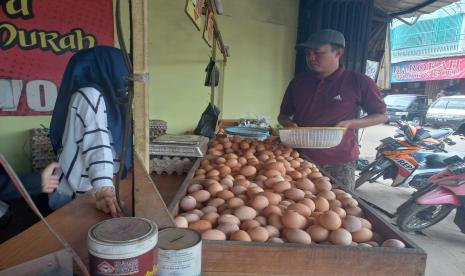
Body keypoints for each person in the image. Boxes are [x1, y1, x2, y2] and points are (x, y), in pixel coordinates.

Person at [278, 29, 387, 191]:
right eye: (308, 53)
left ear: (339, 53)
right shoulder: (298, 82)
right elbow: (283, 115)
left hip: (339, 161)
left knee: (341, 207)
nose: (311, 58)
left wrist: (350, 123)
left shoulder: (359, 82)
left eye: (318, 53)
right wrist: (288, 123)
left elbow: (381, 115)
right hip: (299, 158)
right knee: (300, 207)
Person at [44, 46, 132, 217]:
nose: (125, 76)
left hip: (91, 191)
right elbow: (97, 143)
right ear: (108, 68)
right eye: (121, 68)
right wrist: (104, 191)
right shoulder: (90, 95)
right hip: (76, 196)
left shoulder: (106, 97)